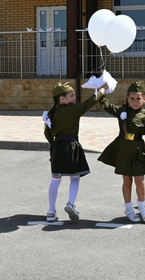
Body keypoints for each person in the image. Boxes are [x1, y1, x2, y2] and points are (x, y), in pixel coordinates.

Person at [44, 81, 108, 222]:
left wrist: (54, 146)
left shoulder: (51, 113)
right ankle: (71, 203)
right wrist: (104, 87)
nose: (74, 98)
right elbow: (91, 101)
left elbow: (47, 133)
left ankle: (50, 210)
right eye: (71, 96)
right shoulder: (73, 110)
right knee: (75, 176)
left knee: (55, 178)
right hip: (72, 146)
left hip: (57, 148)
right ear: (62, 99)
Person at [97, 81, 145, 223]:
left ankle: (142, 208)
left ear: (144, 99)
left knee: (140, 180)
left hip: (138, 149)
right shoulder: (121, 111)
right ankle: (129, 208)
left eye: (138, 98)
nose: (135, 102)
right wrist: (101, 90)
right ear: (127, 98)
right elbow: (105, 105)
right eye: (132, 98)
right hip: (124, 148)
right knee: (127, 180)